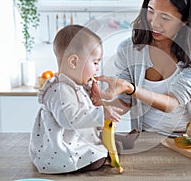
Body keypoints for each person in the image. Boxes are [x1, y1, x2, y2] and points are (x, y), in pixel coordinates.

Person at [96, 0, 191, 134]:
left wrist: (131, 89)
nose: (154, 23)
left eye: (165, 18)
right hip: (143, 137)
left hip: (185, 139)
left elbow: (171, 103)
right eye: (151, 11)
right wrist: (100, 107)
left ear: (185, 20)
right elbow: (125, 102)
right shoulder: (128, 49)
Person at [29, 25, 123, 174]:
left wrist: (96, 100)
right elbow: (69, 119)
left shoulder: (74, 86)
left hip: (76, 139)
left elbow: (85, 113)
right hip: (61, 149)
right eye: (95, 63)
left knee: (103, 145)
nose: (98, 69)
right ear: (73, 62)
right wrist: (101, 114)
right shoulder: (60, 90)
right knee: (97, 158)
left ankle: (113, 144)